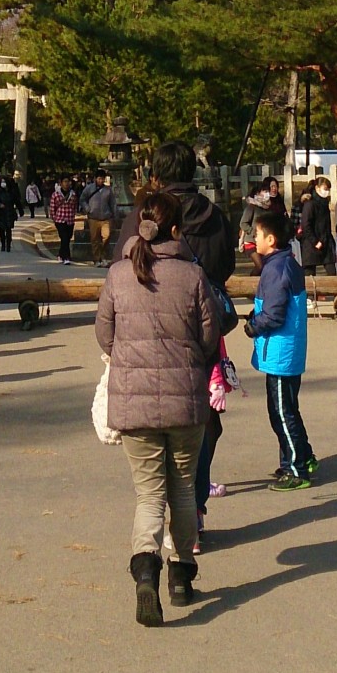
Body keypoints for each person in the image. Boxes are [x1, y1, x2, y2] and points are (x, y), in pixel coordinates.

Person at [95, 189, 220, 626]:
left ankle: (145, 568)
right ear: (174, 229)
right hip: (186, 400)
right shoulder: (192, 276)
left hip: (135, 402)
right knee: (183, 489)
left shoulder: (117, 275)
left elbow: (104, 336)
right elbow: (209, 338)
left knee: (149, 494)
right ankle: (181, 575)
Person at [113, 140, 238, 533]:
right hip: (202, 327)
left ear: (156, 174)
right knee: (200, 419)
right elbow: (227, 263)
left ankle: (163, 513)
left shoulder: (142, 217)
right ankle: (193, 507)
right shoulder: (215, 215)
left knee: (153, 423)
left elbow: (120, 265)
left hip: (148, 330)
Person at [242, 207, 317, 490]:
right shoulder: (284, 263)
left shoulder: (275, 268)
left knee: (282, 413)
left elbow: (274, 314)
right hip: (285, 350)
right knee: (287, 409)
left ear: (271, 240)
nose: (254, 239)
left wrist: (253, 325)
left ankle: (297, 468)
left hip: (280, 351)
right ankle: (298, 458)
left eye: (257, 234)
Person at [298, 176, 335, 276]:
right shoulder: (310, 204)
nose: (327, 192)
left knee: (332, 272)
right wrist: (315, 241)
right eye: (325, 189)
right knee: (310, 275)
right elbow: (306, 225)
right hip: (311, 244)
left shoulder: (324, 203)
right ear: (317, 188)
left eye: (328, 189)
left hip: (325, 242)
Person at [85, 171, 116, 265]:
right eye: (99, 178)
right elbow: (82, 199)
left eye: (102, 179)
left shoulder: (108, 190)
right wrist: (87, 208)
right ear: (95, 179)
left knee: (106, 236)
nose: (101, 180)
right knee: (95, 239)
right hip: (93, 217)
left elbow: (113, 203)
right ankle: (96, 258)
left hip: (106, 217)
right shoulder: (89, 188)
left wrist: (115, 214)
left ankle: (103, 255)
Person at [49, 175, 78, 265]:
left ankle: (61, 254)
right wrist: (54, 218)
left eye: (68, 181)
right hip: (60, 219)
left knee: (67, 238)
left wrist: (73, 216)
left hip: (69, 219)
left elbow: (74, 206)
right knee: (64, 237)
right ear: (61, 183)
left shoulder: (73, 194)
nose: (66, 184)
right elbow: (52, 207)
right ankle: (66, 257)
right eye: (64, 182)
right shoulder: (56, 194)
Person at [0, 173, 19, 252]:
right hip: (1, 213)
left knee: (9, 229)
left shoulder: (11, 192)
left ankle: (8, 245)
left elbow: (16, 201)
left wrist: (20, 210)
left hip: (9, 212)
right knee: (2, 230)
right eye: (2, 182)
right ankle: (3, 244)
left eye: (4, 182)